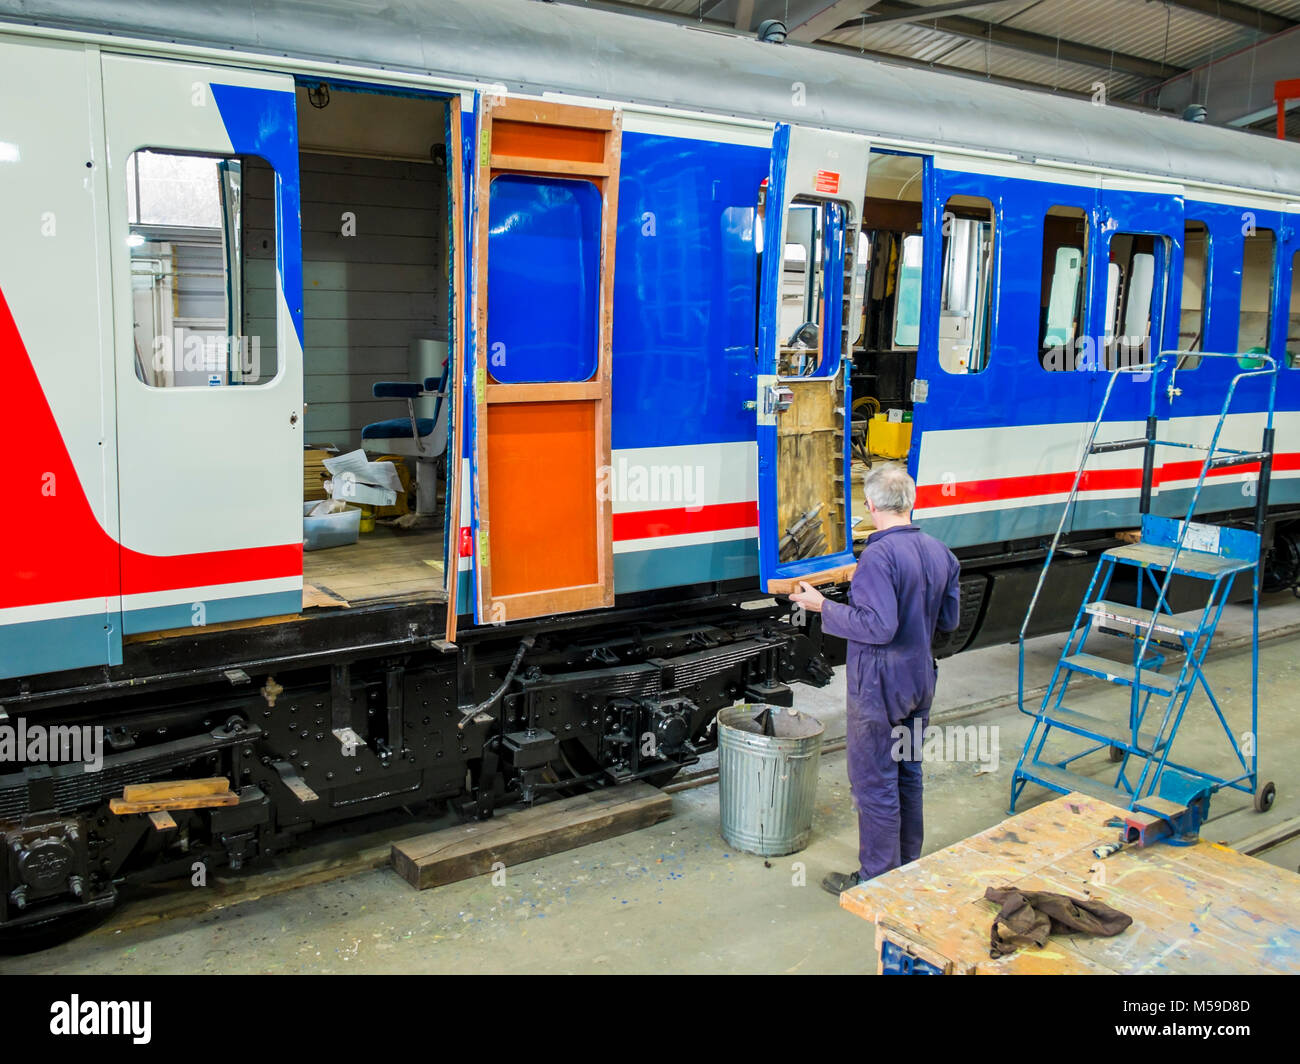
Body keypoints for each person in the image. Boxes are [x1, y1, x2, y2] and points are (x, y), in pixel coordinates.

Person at [788, 466, 960, 894]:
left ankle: (878, 879)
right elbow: (949, 621)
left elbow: (877, 627)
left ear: (870, 507)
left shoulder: (877, 558)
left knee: (875, 779)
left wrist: (821, 606)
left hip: (881, 686)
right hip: (921, 676)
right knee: (907, 772)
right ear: (912, 502)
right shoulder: (942, 553)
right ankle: (906, 866)